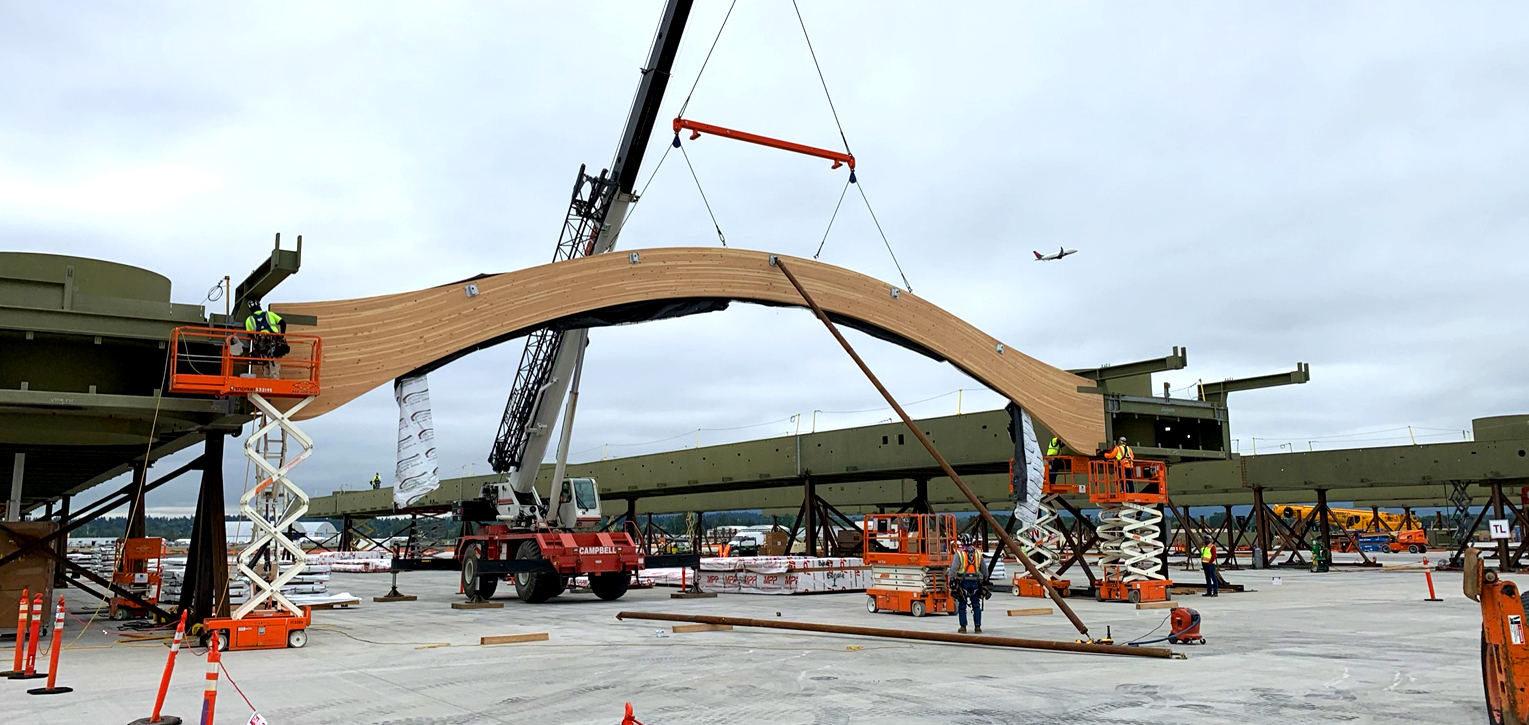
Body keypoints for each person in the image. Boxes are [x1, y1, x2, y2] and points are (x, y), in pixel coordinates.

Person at [950, 534, 985, 633]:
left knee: (962, 605)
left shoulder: (959, 554)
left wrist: (951, 580)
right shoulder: (978, 553)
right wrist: (985, 579)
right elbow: (984, 570)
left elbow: (953, 569)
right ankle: (977, 627)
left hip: (963, 582)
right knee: (976, 605)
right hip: (976, 583)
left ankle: (963, 627)